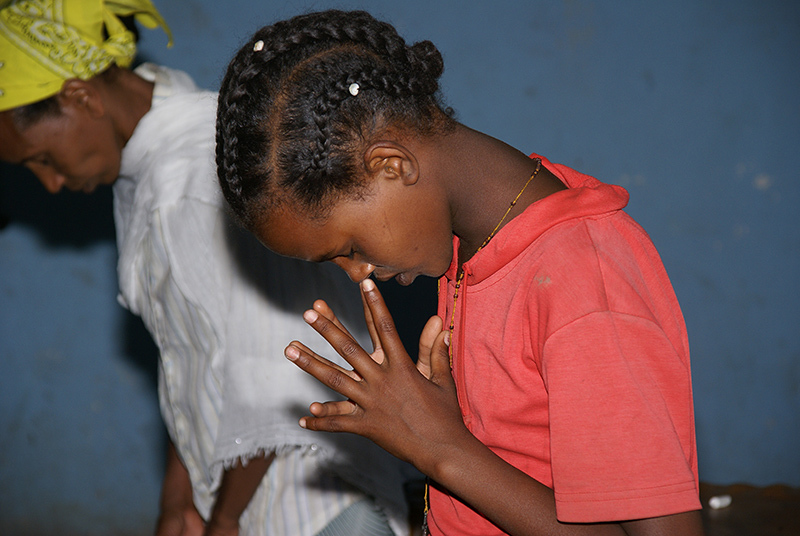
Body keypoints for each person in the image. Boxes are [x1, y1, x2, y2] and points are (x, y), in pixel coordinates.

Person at [214, 9, 705, 536]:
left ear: (391, 165)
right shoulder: (470, 243)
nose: (358, 274)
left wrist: (441, 448)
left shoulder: (583, 279)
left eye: (351, 247)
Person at [0, 2, 415, 536]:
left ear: (81, 97)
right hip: (264, 498)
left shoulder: (190, 182)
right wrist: (180, 497)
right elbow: (199, 359)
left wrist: (223, 518)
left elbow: (274, 368)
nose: (51, 183)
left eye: (41, 158)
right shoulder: (163, 168)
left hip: (312, 509)